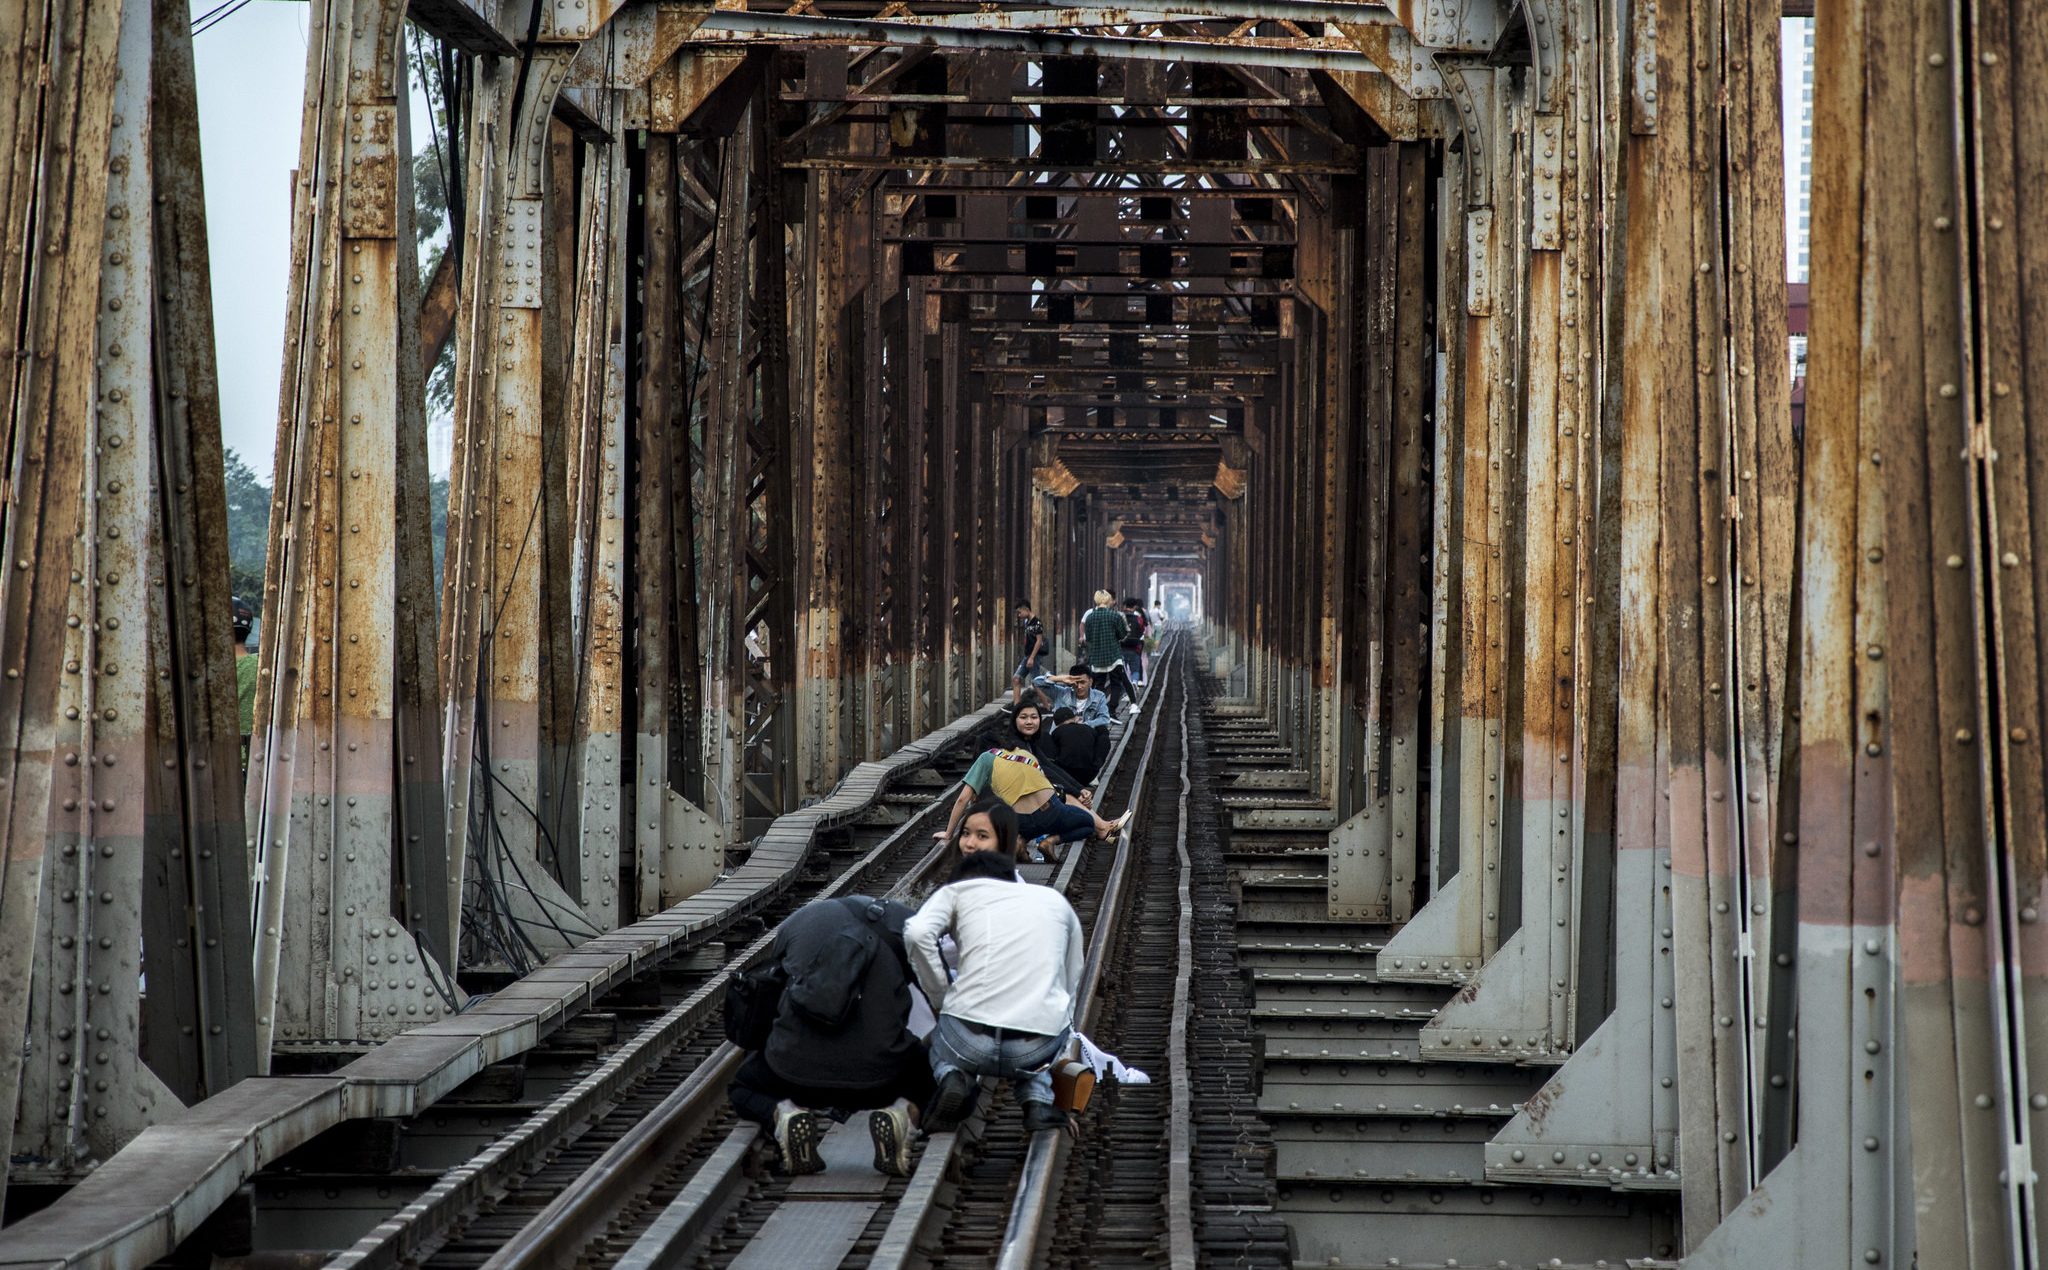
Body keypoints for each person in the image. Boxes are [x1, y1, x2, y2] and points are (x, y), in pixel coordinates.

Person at [905, 806, 1087, 1136]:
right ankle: (1037, 1099)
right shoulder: (1046, 899)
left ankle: (950, 1076)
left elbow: (919, 938)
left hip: (968, 1030)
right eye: (966, 834)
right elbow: (1071, 972)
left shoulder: (954, 893)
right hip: (1035, 1040)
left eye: (982, 836)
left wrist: (943, 995)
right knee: (1045, 1020)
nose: (969, 844)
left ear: (1005, 841)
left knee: (939, 1027)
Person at [727, 894, 936, 1177]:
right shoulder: (908, 927)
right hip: (882, 1078)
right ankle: (904, 1114)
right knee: (934, 1077)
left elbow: (773, 991)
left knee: (743, 1087)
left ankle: (782, 1114)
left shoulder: (797, 923)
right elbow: (934, 998)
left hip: (795, 1075)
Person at [937, 742, 1128, 857]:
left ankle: (1020, 842)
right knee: (1087, 824)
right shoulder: (1025, 755)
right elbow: (1049, 783)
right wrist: (1078, 791)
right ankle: (1051, 841)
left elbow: (963, 800)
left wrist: (948, 833)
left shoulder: (986, 759)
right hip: (1050, 813)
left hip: (1021, 822)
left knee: (1014, 816)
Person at [1006, 701, 1089, 806]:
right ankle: (1104, 823)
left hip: (1034, 793)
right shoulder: (1015, 745)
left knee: (1069, 797)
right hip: (1019, 800)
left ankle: (1104, 823)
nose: (1029, 722)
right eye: (1023, 717)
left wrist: (1080, 788)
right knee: (1067, 797)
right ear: (1014, 721)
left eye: (1034, 717)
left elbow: (1050, 766)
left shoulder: (1030, 743)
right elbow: (1043, 770)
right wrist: (1076, 793)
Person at [1081, 590, 1135, 716]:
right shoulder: (1115, 616)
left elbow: (1087, 638)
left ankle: (1098, 710)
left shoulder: (1089, 617)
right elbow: (1122, 635)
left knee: (1098, 685)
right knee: (1116, 683)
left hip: (1097, 656)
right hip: (1113, 656)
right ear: (1108, 600)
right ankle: (1111, 711)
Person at [1045, 705, 1105, 785]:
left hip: (1065, 775)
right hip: (1089, 774)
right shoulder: (1088, 729)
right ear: (1074, 718)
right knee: (1103, 738)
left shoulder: (1057, 732)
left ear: (1057, 724)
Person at [1011, 602, 1047, 704]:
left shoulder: (1037, 623)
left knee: (1036, 683)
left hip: (1034, 656)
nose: (1019, 615)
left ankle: (1047, 706)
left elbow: (1039, 641)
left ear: (1026, 609)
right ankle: (1016, 707)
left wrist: (1032, 658)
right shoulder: (1028, 622)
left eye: (1019, 612)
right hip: (1027, 656)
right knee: (1016, 679)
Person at [1118, 597, 1149, 688]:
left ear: (1124, 606)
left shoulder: (1119, 617)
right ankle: (1135, 682)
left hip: (1121, 647)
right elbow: (1142, 630)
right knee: (1135, 668)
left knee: (1123, 670)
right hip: (1135, 647)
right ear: (1134, 606)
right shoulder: (1139, 618)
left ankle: (1125, 690)